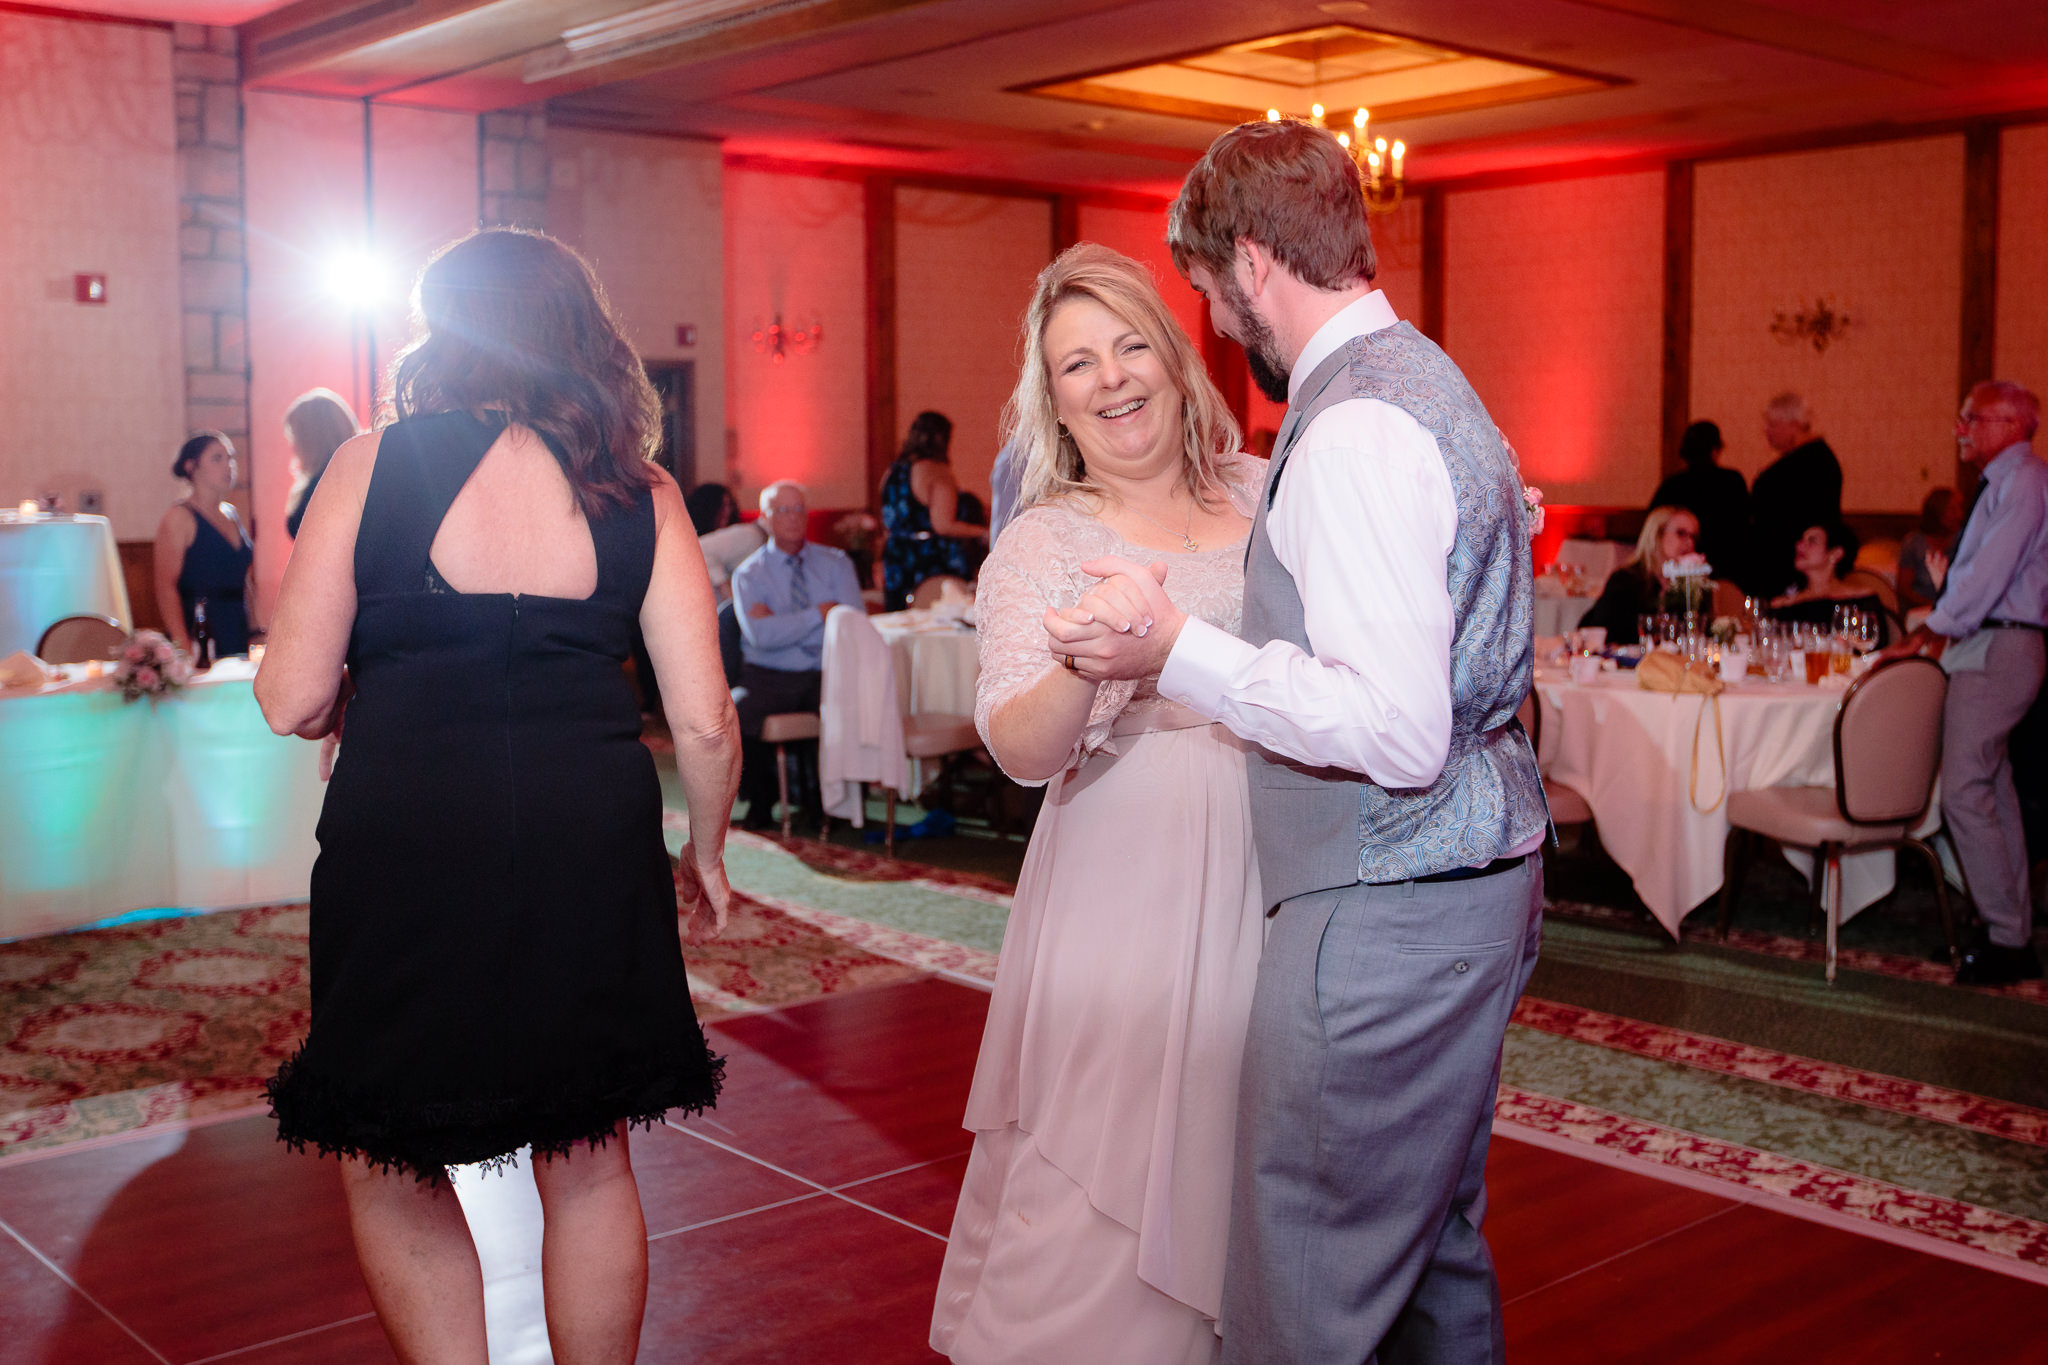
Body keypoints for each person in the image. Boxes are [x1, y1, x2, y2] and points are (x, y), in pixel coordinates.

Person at [1059, 118, 1546, 1365]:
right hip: (1457, 881)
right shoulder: (1419, 381)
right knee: (1426, 1255)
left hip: (1390, 903)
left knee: (1300, 1280)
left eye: (1213, 293)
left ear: (1256, 261)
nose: (1221, 325)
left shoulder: (1355, 429)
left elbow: (1393, 728)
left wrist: (1177, 650)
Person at [253, 227, 740, 1363]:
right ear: (585, 338)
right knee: (586, 1157)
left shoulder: (372, 463)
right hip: (589, 831)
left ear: (444, 334)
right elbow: (706, 718)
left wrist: (350, 690)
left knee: (394, 1156)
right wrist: (705, 851)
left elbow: (287, 696)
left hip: (408, 832)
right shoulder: (640, 488)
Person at [931, 242, 1264, 1365]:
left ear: (1175, 361)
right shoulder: (1043, 541)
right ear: (1054, 400)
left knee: (1247, 1145)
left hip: (1281, 860)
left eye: (1130, 346)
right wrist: (1082, 668)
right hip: (1121, 871)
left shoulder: (1270, 493)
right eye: (1077, 364)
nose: (1111, 378)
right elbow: (1020, 752)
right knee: (1093, 1163)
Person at [1882, 381, 2048, 986]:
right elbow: (1979, 572)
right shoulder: (2007, 482)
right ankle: (2008, 926)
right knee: (1994, 788)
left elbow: (1989, 576)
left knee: (1964, 792)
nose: (1961, 429)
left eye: (1971, 418)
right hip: (1991, 641)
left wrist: (1931, 629)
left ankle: (2008, 940)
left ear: (2007, 421)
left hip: (1999, 645)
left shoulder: (2023, 481)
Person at [729, 479, 862, 831]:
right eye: (783, 510)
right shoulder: (749, 574)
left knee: (849, 703)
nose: (793, 518)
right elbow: (761, 636)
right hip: (768, 674)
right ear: (766, 519)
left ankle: (828, 804)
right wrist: (818, 615)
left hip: (825, 670)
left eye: (799, 509)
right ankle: (760, 803)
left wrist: (783, 624)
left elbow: (851, 624)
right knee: (734, 711)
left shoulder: (836, 563)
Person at [153, 431, 259, 659]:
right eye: (217, 458)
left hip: (236, 626)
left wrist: (255, 630)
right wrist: (184, 645)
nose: (228, 466)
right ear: (192, 467)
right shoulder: (179, 517)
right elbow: (165, 587)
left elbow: (243, 580)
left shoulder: (232, 513)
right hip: (200, 627)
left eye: (230, 458)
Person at [880, 410, 987, 609]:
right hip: (929, 563)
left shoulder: (891, 473)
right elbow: (943, 525)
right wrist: (982, 532)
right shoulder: (937, 473)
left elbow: (887, 520)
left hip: (896, 558)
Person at [1745, 392, 1842, 595]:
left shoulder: (1810, 463)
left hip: (1788, 571)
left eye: (1773, 424)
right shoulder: (1817, 459)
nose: (1766, 431)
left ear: (1795, 424)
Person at [1577, 505, 1701, 645]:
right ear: (1656, 535)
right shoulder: (1625, 580)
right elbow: (1602, 632)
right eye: (1681, 533)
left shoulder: (1688, 586)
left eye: (1693, 536)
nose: (1689, 543)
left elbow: (1700, 633)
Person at [1765, 520, 1892, 645]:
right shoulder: (1784, 605)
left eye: (1812, 541)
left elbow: (1875, 647)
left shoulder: (1861, 600)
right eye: (1801, 540)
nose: (1799, 546)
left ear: (1835, 553)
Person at [1649, 420, 1746, 573]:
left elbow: (1652, 529)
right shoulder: (1731, 482)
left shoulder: (1671, 486)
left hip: (1676, 570)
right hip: (1727, 569)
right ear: (1715, 450)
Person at [282, 388, 361, 539]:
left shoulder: (328, 483)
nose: (293, 446)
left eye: (295, 436)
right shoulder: (343, 476)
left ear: (313, 439)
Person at [687, 482, 767, 604]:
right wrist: (730, 598)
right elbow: (701, 550)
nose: (727, 511)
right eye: (722, 506)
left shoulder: (736, 536)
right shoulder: (750, 535)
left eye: (729, 505)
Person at [1897, 486, 1965, 615]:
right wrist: (1933, 605)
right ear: (1938, 513)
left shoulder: (1963, 540)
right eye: (1952, 510)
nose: (1960, 515)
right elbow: (1903, 589)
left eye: (1960, 509)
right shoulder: (1914, 543)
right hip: (1921, 611)